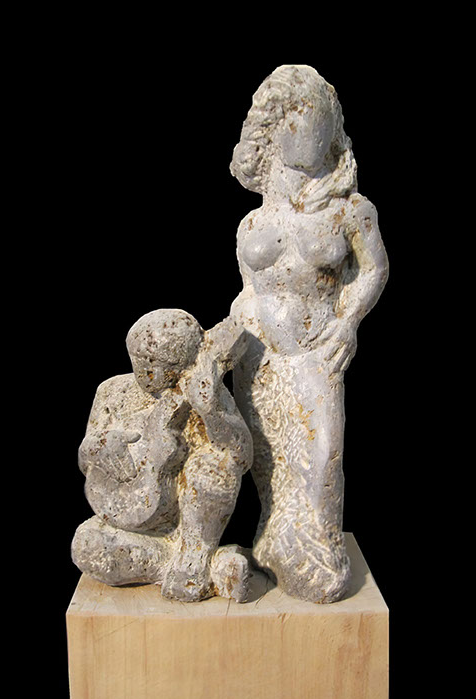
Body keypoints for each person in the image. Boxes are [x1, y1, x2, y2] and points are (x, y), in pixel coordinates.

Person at [230, 65, 389, 603]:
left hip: (317, 349)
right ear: (275, 131)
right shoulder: (252, 224)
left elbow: (375, 269)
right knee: (268, 462)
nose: (313, 138)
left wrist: (348, 321)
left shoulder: (351, 211)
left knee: (322, 458)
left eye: (322, 125)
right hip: (258, 353)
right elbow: (249, 288)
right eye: (300, 124)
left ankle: (319, 555)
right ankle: (274, 543)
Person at [72, 309, 253, 602]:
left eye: (158, 366)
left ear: (187, 363)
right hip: (131, 523)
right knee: (87, 546)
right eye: (139, 362)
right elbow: (85, 455)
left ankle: (195, 555)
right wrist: (97, 448)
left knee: (215, 466)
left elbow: (241, 456)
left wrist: (212, 411)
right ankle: (192, 566)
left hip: (190, 524)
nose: (146, 373)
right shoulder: (112, 392)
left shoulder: (204, 392)